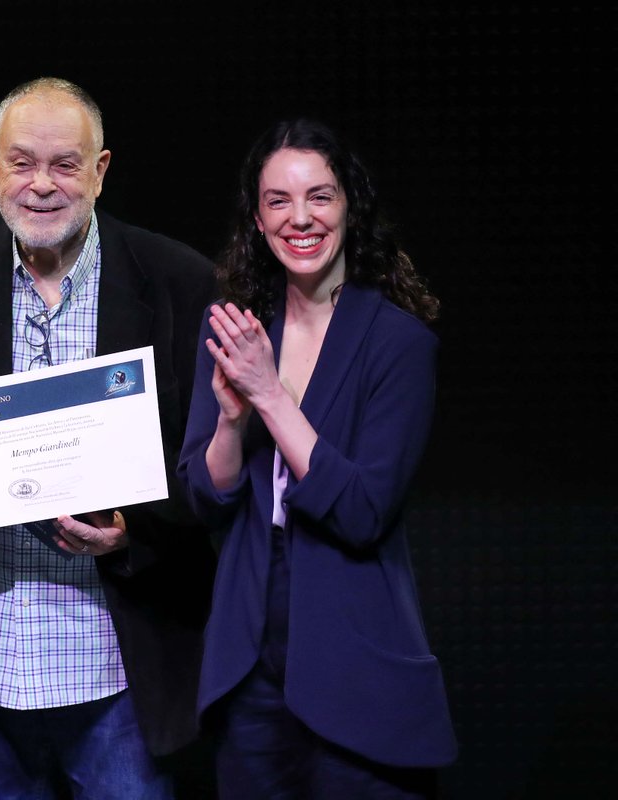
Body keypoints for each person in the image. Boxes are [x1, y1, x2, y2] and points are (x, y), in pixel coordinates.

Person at [0, 77, 217, 798]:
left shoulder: (176, 278)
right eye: (23, 162)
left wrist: (134, 533)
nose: (41, 185)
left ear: (101, 171)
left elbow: (209, 461)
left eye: (66, 164)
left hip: (119, 661)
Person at [177, 118, 457, 798]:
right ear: (258, 218)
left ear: (349, 208)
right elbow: (200, 497)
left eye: (319, 197)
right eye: (279, 200)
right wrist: (231, 425)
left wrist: (269, 393)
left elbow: (362, 510)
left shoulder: (398, 343)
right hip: (249, 653)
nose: (300, 218)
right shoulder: (237, 328)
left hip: (354, 651)